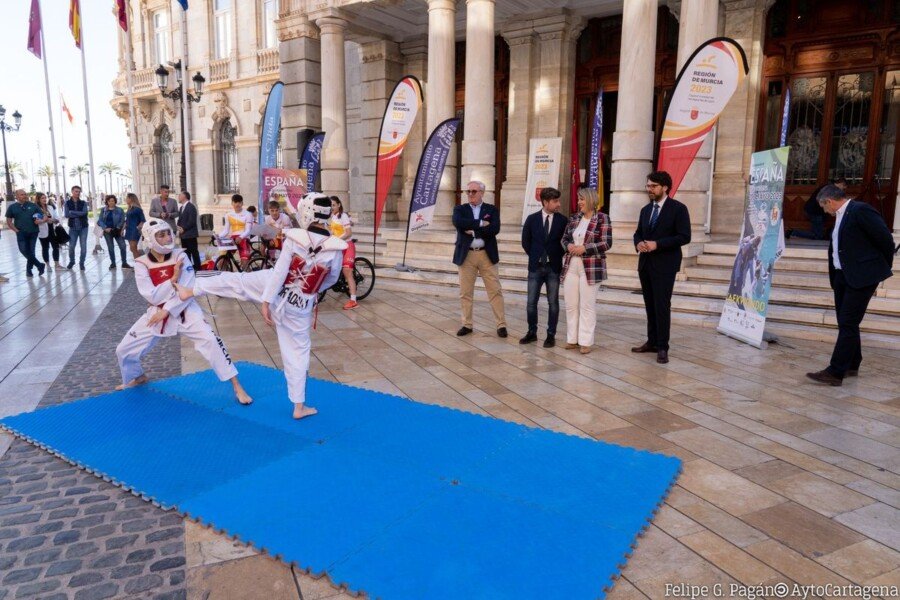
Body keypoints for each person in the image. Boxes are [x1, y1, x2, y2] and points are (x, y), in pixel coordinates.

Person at [175, 193, 345, 420]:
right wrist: (309, 291)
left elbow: (282, 271)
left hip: (273, 288)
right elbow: (332, 279)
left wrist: (266, 301)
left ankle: (192, 289)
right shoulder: (335, 248)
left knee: (237, 282)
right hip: (301, 304)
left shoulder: (295, 238)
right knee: (298, 353)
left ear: (306, 212)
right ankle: (298, 406)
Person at [115, 218, 252, 404]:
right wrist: (172, 279)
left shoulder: (180, 255)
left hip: (186, 310)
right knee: (124, 349)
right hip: (156, 313)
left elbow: (187, 288)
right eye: (161, 235)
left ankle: (237, 386)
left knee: (212, 341)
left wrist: (168, 309)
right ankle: (137, 377)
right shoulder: (142, 263)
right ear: (150, 239)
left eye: (168, 233)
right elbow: (152, 296)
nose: (166, 238)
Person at [806, 184, 894, 386]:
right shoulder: (840, 216)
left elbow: (885, 240)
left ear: (828, 201)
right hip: (842, 276)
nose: (824, 212)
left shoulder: (860, 211)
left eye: (823, 207)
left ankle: (835, 372)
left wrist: (877, 268)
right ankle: (853, 363)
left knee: (848, 322)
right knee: (846, 322)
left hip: (861, 277)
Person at [632, 171, 691, 364]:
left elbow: (684, 236)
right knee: (650, 305)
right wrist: (639, 242)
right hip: (646, 265)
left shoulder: (678, 209)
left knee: (662, 306)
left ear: (664, 187)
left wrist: (658, 244)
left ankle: (663, 347)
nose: (649, 189)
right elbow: (638, 233)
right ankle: (652, 341)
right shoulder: (645, 210)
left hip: (665, 265)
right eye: (648, 186)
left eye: (653, 186)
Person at [560, 187, 613, 354]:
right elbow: (564, 239)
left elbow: (606, 243)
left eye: (581, 199)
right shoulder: (574, 218)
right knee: (571, 304)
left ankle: (585, 341)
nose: (579, 202)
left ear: (591, 200)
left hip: (591, 266)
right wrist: (568, 245)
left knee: (587, 305)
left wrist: (585, 248)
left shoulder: (603, 218)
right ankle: (572, 339)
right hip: (571, 265)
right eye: (578, 199)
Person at [452, 181, 507, 338]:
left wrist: (475, 232)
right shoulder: (460, 209)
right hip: (466, 255)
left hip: (486, 254)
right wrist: (481, 223)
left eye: (474, 191)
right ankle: (466, 324)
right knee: (465, 292)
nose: (470, 194)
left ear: (482, 192)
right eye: (468, 191)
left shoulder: (491, 209)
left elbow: (495, 228)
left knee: (495, 290)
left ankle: (501, 325)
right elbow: (458, 222)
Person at [520, 187, 567, 348]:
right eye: (555, 201)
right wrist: (536, 256)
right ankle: (532, 332)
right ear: (545, 202)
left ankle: (550, 335)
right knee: (531, 303)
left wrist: (555, 256)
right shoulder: (531, 219)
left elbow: (565, 242)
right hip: (535, 267)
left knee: (553, 303)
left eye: (558, 200)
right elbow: (526, 242)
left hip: (553, 268)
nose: (558, 204)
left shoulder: (562, 220)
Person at [5, 189, 45, 277]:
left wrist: (40, 220)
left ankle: (29, 271)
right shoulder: (12, 207)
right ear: (17, 196)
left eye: (25, 194)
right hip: (20, 233)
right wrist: (16, 231)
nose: (24, 196)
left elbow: (42, 215)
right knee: (23, 250)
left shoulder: (33, 205)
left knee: (31, 251)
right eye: (22, 194)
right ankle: (39, 265)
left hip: (33, 232)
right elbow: (9, 221)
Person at [329, 196, 359, 310]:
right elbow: (333, 231)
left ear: (339, 205)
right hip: (338, 247)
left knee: (347, 272)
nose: (332, 207)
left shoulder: (344, 216)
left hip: (347, 246)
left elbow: (348, 233)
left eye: (333, 205)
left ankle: (353, 300)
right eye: (330, 205)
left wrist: (337, 239)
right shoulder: (333, 217)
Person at [219, 194, 254, 271]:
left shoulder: (248, 214)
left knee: (245, 264)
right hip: (233, 238)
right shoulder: (228, 215)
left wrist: (241, 237)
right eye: (235, 202)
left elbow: (248, 230)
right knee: (222, 261)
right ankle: (226, 276)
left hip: (244, 238)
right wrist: (218, 236)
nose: (237, 204)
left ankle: (250, 278)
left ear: (242, 203)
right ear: (232, 203)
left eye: (239, 202)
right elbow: (226, 231)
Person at [99, 195, 130, 270]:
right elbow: (100, 220)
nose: (111, 202)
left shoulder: (120, 210)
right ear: (107, 202)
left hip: (117, 231)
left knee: (123, 246)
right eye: (109, 201)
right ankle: (113, 263)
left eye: (112, 201)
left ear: (115, 201)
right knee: (111, 248)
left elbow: (122, 220)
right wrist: (105, 228)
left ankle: (124, 263)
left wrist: (118, 227)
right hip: (107, 232)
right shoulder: (103, 210)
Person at [35, 192, 64, 270]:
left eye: (45, 197)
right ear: (38, 199)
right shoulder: (36, 209)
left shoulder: (50, 207)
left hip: (52, 230)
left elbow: (56, 218)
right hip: (42, 231)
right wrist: (45, 220)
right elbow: (36, 221)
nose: (44, 199)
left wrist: (53, 220)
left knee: (56, 247)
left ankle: (57, 265)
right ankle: (47, 265)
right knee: (45, 248)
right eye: (42, 198)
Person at [65, 185, 90, 271]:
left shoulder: (83, 203)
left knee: (83, 247)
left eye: (79, 192)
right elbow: (67, 215)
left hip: (83, 227)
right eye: (76, 191)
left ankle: (81, 263)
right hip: (73, 228)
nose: (78, 193)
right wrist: (78, 213)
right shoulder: (67, 203)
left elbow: (84, 213)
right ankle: (72, 261)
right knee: (71, 246)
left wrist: (72, 212)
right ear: (72, 192)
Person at [176, 191, 201, 270]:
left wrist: (184, 228)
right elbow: (180, 220)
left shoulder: (191, 207)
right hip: (183, 235)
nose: (178, 197)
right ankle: (189, 268)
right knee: (186, 253)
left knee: (194, 252)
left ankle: (198, 268)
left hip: (190, 234)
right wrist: (179, 227)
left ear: (185, 197)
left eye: (180, 195)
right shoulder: (181, 208)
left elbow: (192, 221)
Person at [124, 193, 145, 259]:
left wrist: (138, 228)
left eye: (127, 198)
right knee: (132, 249)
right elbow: (127, 220)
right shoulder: (129, 209)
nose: (126, 199)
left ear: (131, 199)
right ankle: (139, 262)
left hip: (134, 230)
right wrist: (122, 229)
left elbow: (143, 220)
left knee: (133, 247)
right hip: (128, 230)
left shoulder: (137, 209)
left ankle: (139, 264)